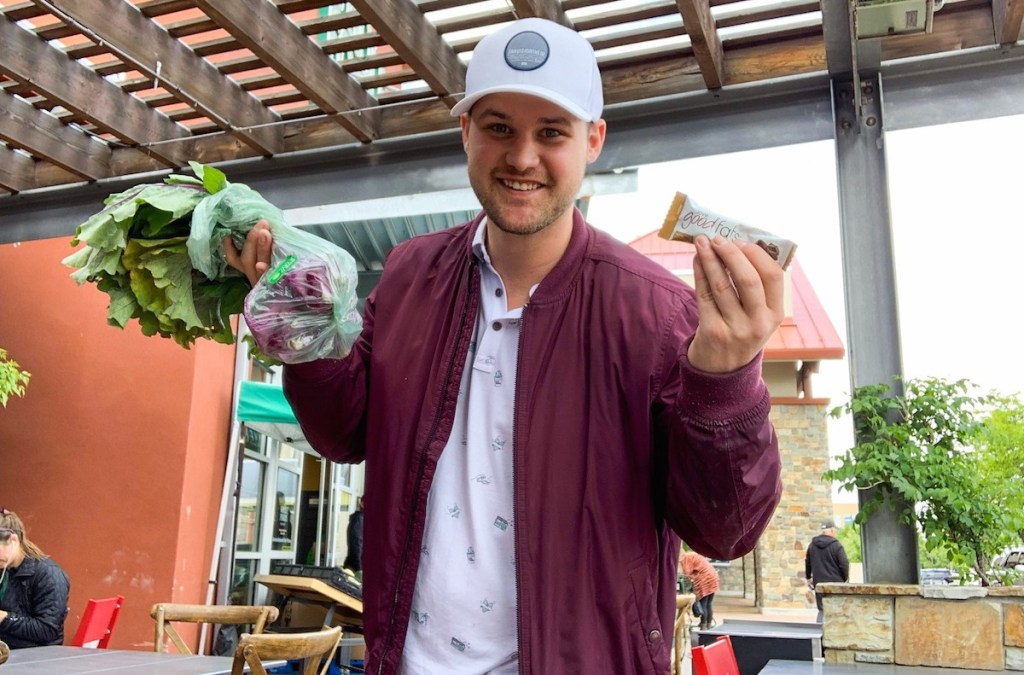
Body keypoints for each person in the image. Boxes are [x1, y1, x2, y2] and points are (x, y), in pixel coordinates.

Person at [224, 17, 784, 674]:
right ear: (465, 132)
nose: (521, 157)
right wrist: (305, 330)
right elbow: (344, 431)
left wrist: (724, 379)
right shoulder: (407, 276)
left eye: (551, 132)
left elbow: (725, 528)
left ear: (593, 141)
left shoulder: (659, 312)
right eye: (498, 128)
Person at [0, 508, 71, 649]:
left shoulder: (49, 575)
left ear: (13, 540)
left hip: (34, 655)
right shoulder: (5, 568)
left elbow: (48, 630)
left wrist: (3, 618)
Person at [805, 519, 850, 623]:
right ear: (833, 530)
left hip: (819, 584)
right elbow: (844, 564)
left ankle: (820, 635)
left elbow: (808, 563)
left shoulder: (812, 545)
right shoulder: (837, 546)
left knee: (822, 610)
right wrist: (843, 579)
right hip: (836, 585)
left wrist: (808, 578)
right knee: (837, 610)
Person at [680, 551, 720, 631]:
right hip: (713, 577)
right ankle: (708, 623)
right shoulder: (692, 555)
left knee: (703, 603)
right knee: (708, 603)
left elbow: (687, 573)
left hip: (704, 578)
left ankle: (703, 625)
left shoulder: (686, 558)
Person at [343, 495, 364, 579]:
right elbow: (356, 543)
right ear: (362, 504)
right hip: (355, 569)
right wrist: (359, 568)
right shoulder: (359, 519)